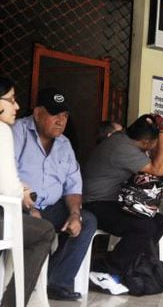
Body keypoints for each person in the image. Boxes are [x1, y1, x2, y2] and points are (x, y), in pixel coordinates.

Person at [12, 87, 97, 300]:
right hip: (18, 206)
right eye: (54, 114)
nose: (60, 121)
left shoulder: (64, 145)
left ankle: (56, 282)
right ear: (38, 113)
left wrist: (74, 214)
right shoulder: (18, 132)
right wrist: (28, 207)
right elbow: (7, 176)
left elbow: (73, 186)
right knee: (38, 228)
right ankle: (21, 286)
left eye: (65, 116)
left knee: (86, 221)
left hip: (49, 208)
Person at [83, 114, 163, 294]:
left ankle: (132, 266)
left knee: (159, 221)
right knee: (144, 227)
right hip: (95, 204)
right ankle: (105, 270)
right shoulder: (122, 147)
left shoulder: (123, 138)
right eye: (153, 142)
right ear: (146, 141)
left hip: (111, 202)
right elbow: (159, 169)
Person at [0, 77, 55, 306]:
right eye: (11, 100)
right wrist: (21, 192)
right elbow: (8, 188)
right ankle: (12, 303)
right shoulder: (2, 130)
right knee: (44, 231)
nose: (17, 106)